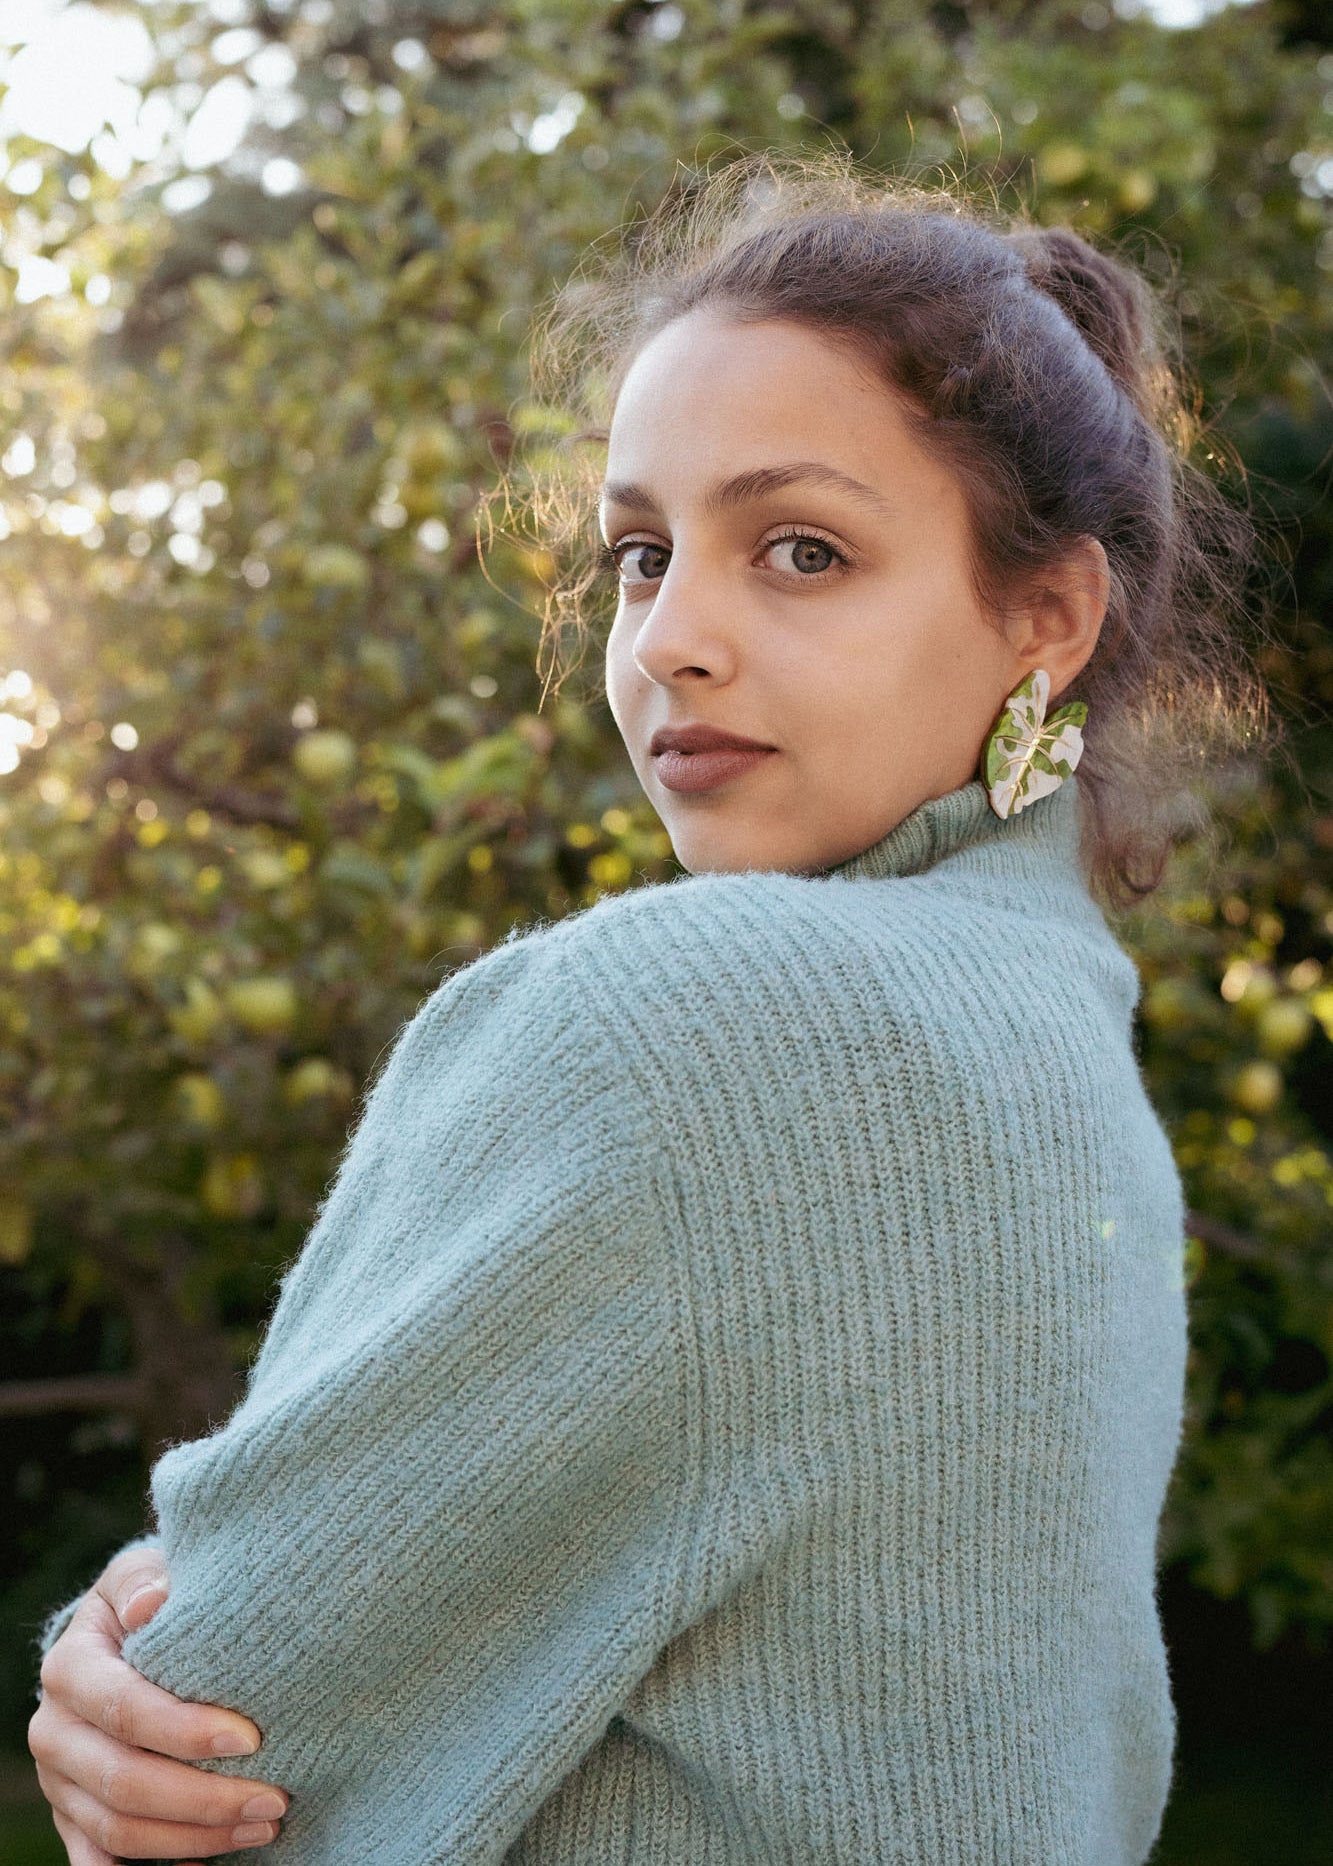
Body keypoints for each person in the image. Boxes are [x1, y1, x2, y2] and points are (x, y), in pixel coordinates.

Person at [29, 149, 1271, 1865]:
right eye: (635, 551)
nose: (668, 636)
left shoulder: (678, 1023)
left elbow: (216, 1742)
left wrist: (116, 1665)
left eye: (803, 549)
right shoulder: (1065, 1046)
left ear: (1043, 616)